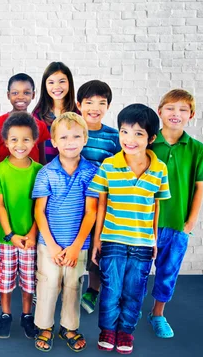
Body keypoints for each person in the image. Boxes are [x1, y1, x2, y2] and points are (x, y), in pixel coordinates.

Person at [90, 104, 171, 355]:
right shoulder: (108, 166)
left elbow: (156, 207)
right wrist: (96, 241)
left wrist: (154, 240)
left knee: (134, 291)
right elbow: (101, 205)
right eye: (124, 132)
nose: (129, 139)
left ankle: (126, 331)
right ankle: (107, 330)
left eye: (138, 134)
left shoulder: (159, 169)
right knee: (111, 289)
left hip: (143, 243)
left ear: (151, 138)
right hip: (112, 239)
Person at [31, 112, 99, 352]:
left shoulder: (92, 172)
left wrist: (75, 246)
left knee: (73, 285)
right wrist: (51, 245)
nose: (70, 141)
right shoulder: (46, 173)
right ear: (54, 141)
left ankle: (68, 326)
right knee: (48, 284)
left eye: (76, 136)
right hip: (48, 243)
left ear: (85, 139)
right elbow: (40, 212)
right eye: (64, 137)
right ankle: (44, 326)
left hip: (77, 246)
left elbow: (91, 212)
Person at [148, 89, 203, 338]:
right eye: (171, 108)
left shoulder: (196, 149)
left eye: (183, 109)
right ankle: (130, 312)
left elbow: (199, 186)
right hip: (144, 223)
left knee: (167, 272)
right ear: (160, 111)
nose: (176, 114)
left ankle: (158, 314)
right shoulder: (147, 143)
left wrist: (190, 222)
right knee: (139, 273)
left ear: (191, 115)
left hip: (177, 225)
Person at [0, 112, 42, 340]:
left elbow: (40, 208)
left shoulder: (39, 170)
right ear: (5, 141)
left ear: (34, 141)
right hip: (6, 237)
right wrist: (11, 234)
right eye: (14, 139)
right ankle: (5, 314)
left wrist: (32, 233)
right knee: (6, 278)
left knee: (29, 280)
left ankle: (27, 315)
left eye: (25, 139)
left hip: (31, 238)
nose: (20, 145)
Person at [75, 80, 121, 315]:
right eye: (89, 102)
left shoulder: (114, 137)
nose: (94, 107)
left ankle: (92, 290)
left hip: (101, 201)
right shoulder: (73, 130)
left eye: (101, 103)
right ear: (78, 104)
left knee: (97, 246)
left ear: (108, 106)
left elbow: (118, 169)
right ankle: (68, 285)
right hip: (73, 201)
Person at [0, 73, 49, 164]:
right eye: (15, 93)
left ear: (33, 95)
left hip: (33, 177)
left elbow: (42, 160)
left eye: (26, 92)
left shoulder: (40, 125)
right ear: (8, 95)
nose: (20, 97)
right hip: (4, 176)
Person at [33, 62, 78, 163]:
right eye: (51, 82)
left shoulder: (78, 114)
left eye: (62, 81)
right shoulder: (37, 115)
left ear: (69, 83)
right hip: (44, 172)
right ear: (45, 85)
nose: (56, 86)